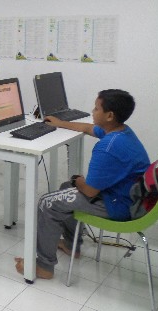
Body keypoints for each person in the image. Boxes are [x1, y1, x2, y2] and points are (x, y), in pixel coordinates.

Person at [14, 89, 150, 279]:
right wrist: (60, 123)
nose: (92, 112)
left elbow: (90, 191)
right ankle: (71, 245)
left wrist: (78, 181)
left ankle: (44, 266)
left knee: (47, 202)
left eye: (96, 108)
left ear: (109, 115)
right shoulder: (121, 132)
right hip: (130, 198)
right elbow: (88, 128)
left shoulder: (108, 147)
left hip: (120, 205)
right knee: (66, 188)